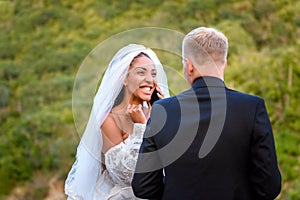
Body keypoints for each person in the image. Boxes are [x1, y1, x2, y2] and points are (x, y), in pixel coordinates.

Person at [132, 27, 281, 200]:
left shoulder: (161, 110)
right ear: (224, 63)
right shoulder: (252, 107)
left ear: (189, 66)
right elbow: (269, 187)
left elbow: (143, 187)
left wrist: (177, 185)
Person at [65, 44, 170, 199]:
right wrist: (141, 128)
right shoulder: (109, 120)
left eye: (153, 74)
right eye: (141, 72)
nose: (150, 80)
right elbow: (125, 176)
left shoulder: (158, 114)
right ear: (125, 79)